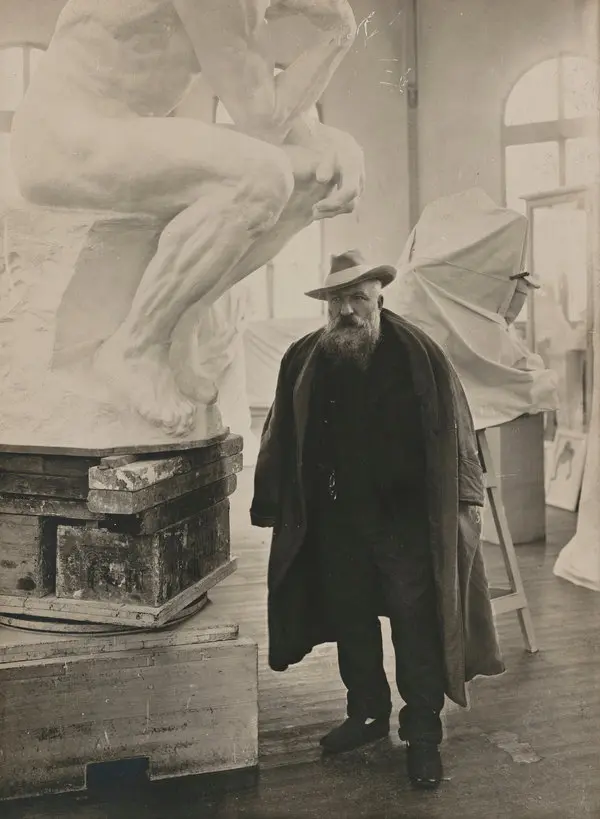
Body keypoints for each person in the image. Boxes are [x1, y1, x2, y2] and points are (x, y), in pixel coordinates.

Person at [10, 0, 364, 436]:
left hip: (113, 132)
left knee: (312, 179)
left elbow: (269, 99)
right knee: (262, 177)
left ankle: (182, 322)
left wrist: (334, 146)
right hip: (64, 139)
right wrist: (339, 32)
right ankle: (136, 347)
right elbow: (264, 118)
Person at [251, 249, 505, 789]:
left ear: (378, 298)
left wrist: (465, 500)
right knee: (351, 618)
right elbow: (280, 432)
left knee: (415, 628)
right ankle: (367, 713)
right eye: (338, 300)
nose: (347, 310)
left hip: (405, 522)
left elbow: (458, 426)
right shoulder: (304, 357)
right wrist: (270, 498)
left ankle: (422, 734)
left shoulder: (419, 353)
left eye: (357, 298)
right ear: (326, 305)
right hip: (336, 519)